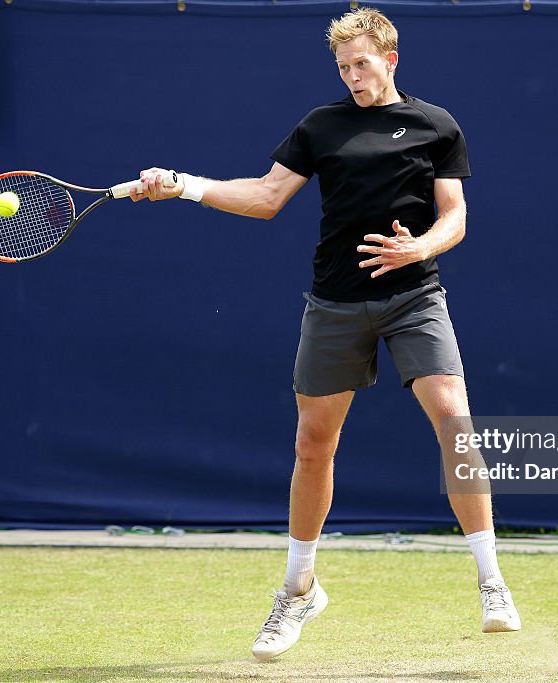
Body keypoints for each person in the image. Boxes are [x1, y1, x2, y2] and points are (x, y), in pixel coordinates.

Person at [130, 7, 520, 662]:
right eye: (343, 66)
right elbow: (264, 195)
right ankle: (298, 588)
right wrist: (186, 185)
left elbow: (454, 218)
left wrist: (416, 248)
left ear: (391, 59)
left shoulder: (436, 125)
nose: (353, 76)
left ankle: (493, 582)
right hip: (336, 303)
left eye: (362, 63)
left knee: (455, 419)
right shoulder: (321, 125)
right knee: (313, 444)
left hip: (413, 296)